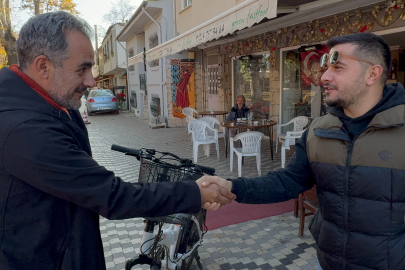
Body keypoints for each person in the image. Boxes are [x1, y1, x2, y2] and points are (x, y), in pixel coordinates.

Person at [0, 12, 235, 270]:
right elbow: (111, 196)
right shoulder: (25, 129)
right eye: (83, 69)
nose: (91, 81)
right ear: (43, 66)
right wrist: (195, 192)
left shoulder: (54, 104)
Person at [202, 33, 405, 269]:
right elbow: (287, 182)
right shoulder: (319, 131)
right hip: (328, 262)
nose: (324, 77)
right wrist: (232, 187)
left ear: (372, 74)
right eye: (326, 67)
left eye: (337, 67)